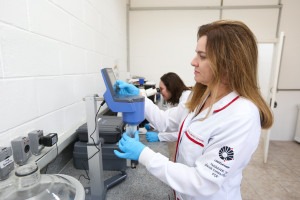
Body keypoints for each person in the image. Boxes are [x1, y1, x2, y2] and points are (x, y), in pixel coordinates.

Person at [113, 20, 273, 200]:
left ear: (228, 63)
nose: (193, 62)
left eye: (202, 56)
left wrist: (144, 154)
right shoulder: (200, 96)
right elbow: (165, 122)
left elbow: (202, 182)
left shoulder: (241, 117)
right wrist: (140, 98)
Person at [145, 72, 191, 143]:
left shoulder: (186, 100)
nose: (160, 92)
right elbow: (172, 119)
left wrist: (160, 136)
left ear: (171, 87)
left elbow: (183, 132)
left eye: (161, 89)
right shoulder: (183, 98)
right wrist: (153, 125)